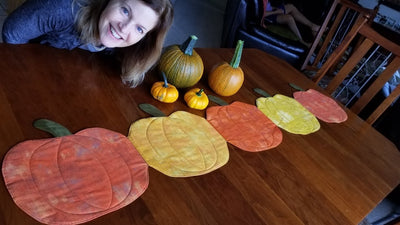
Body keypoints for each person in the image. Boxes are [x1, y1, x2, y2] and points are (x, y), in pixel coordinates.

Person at [1, 0, 174, 87]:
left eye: (139, 29)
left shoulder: (134, 48)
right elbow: (12, 34)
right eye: (125, 10)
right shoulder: (61, 8)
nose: (124, 28)